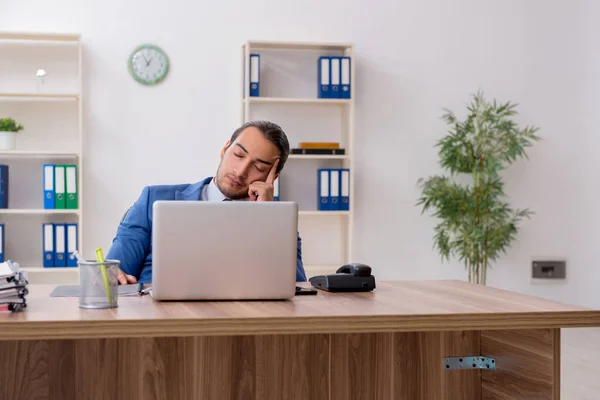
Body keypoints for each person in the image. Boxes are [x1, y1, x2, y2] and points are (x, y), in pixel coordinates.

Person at [106, 120, 307, 285]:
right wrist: (111, 276)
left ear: (272, 178)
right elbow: (113, 273)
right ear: (224, 149)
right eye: (238, 155)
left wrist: (267, 220)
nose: (241, 171)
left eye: (258, 167)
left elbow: (297, 287)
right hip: (161, 320)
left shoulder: (278, 222)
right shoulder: (154, 199)